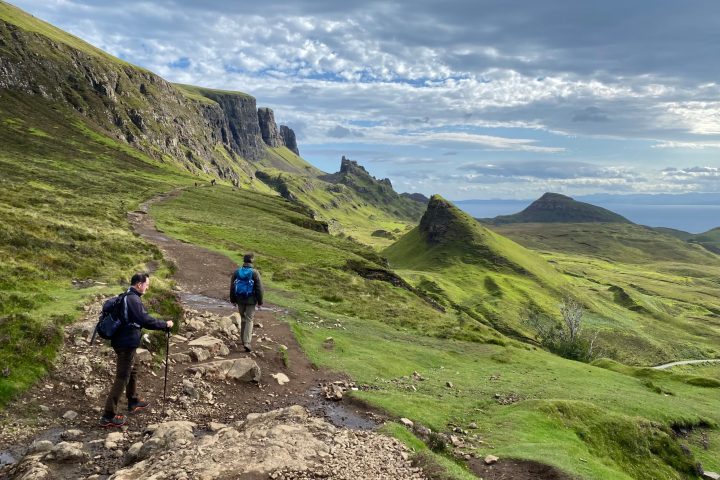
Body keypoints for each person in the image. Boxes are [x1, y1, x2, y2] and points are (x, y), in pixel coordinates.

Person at [100, 273, 173, 427]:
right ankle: (108, 415)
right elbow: (144, 319)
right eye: (147, 284)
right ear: (139, 284)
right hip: (125, 343)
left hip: (125, 341)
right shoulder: (133, 299)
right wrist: (164, 324)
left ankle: (133, 400)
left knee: (134, 368)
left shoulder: (128, 295)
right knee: (122, 377)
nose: (148, 287)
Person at [229, 253, 264, 352]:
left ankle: (243, 340)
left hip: (239, 299)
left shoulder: (237, 272)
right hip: (251, 300)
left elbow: (232, 287)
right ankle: (247, 342)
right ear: (252, 261)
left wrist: (232, 300)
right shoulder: (255, 273)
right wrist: (260, 301)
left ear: (244, 261)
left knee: (243, 318)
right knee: (249, 319)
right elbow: (259, 289)